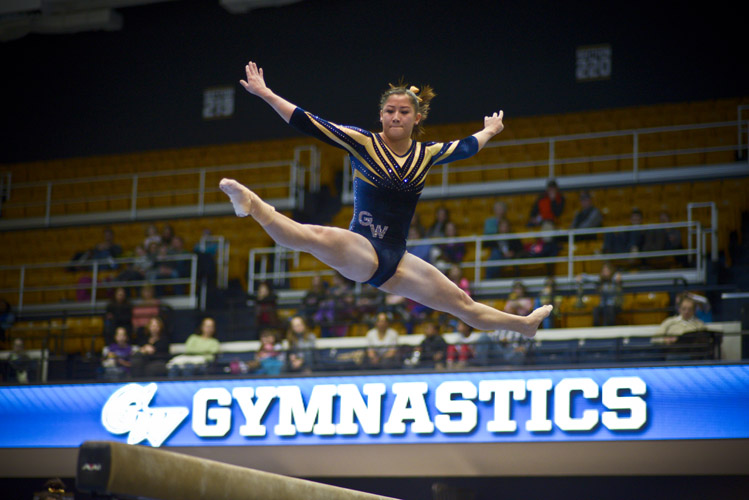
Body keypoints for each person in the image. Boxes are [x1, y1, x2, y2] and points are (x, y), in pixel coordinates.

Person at [221, 61, 552, 338]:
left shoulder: (426, 154)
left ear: (416, 118)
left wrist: (490, 131)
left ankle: (523, 325)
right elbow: (309, 123)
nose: (396, 116)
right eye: (390, 111)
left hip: (398, 259)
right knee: (315, 236)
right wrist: (265, 94)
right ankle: (254, 205)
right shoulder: (363, 144)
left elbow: (465, 146)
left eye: (404, 111)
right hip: (362, 248)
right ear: (380, 115)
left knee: (461, 303)